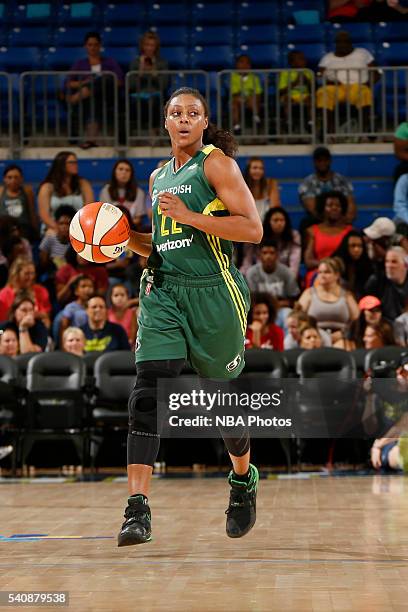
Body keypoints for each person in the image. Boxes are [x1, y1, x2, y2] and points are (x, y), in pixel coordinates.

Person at [116, 87, 263, 547]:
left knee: (224, 407)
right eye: (175, 113)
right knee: (148, 391)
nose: (183, 119)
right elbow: (161, 241)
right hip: (163, 290)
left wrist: (191, 215)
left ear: (204, 123)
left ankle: (242, 479)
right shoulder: (158, 175)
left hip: (214, 293)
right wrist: (117, 238)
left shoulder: (217, 164)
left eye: (192, 113)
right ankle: (136, 511)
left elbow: (253, 229)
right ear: (165, 122)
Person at [66, 31, 124, 149]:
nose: (93, 47)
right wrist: (86, 83)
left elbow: (119, 81)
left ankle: (86, 92)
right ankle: (91, 139)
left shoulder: (109, 62)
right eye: (90, 45)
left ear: (100, 46)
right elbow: (69, 83)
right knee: (94, 101)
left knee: (106, 78)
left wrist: (96, 83)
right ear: (85, 46)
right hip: (91, 100)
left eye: (95, 44)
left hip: (108, 96)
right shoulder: (80, 64)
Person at [316, 31, 376, 135]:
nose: (342, 44)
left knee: (364, 92)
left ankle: (363, 130)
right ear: (335, 44)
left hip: (357, 86)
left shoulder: (362, 53)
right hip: (336, 87)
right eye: (339, 42)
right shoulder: (327, 58)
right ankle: (329, 131)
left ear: (351, 42)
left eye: (345, 41)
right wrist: (326, 81)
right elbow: (319, 76)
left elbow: (376, 72)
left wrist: (369, 84)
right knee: (323, 92)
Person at [298, 257, 359, 342]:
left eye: (327, 272)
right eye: (319, 272)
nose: (322, 275)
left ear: (337, 275)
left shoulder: (346, 295)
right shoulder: (309, 293)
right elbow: (298, 317)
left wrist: (344, 333)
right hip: (315, 338)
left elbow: (357, 320)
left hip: (341, 338)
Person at [245, 239, 300, 329]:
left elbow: (293, 299)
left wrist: (276, 305)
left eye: (272, 253)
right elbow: (252, 299)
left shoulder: (286, 272)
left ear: (277, 255)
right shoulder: (252, 273)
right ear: (259, 255)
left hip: (281, 309)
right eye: (265, 253)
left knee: (288, 314)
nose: (268, 256)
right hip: (260, 309)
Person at [303, 191, 353, 286]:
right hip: (318, 272)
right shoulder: (312, 231)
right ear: (323, 208)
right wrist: (328, 266)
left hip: (342, 273)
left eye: (338, 206)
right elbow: (308, 261)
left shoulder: (350, 232)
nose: (334, 208)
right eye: (330, 205)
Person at [298, 146, 355, 228]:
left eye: (325, 160)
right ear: (314, 162)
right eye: (319, 160)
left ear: (330, 161)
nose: (322, 163)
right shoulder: (307, 183)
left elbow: (351, 209)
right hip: (317, 224)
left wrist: (339, 222)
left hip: (341, 223)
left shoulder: (342, 181)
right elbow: (313, 210)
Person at [370, 353, 408, 472]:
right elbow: (369, 429)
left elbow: (404, 425)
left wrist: (377, 445)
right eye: (404, 373)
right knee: (397, 453)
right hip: (391, 444)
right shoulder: (381, 393)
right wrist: (369, 397)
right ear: (398, 372)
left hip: (390, 441)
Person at [38, 152, 94, 232]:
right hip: (54, 228)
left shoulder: (83, 184)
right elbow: (44, 215)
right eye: (71, 162)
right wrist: (59, 229)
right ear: (61, 165)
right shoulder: (47, 187)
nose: (75, 165)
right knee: (51, 235)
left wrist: (77, 229)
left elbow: (89, 210)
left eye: (76, 162)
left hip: (80, 228)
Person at [129, 31, 169, 133]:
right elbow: (131, 86)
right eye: (147, 45)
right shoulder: (135, 63)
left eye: (152, 45)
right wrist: (140, 73)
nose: (149, 48)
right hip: (138, 97)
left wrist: (155, 74)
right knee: (137, 103)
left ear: (156, 47)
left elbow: (164, 86)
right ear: (142, 46)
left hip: (157, 97)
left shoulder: (162, 63)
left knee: (154, 102)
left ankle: (154, 133)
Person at [99, 160, 151, 231]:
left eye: (127, 170)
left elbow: (138, 219)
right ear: (114, 172)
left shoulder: (139, 192)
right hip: (110, 230)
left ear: (131, 174)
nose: (124, 172)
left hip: (132, 230)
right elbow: (104, 216)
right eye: (121, 169)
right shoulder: (105, 190)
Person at [0, 257, 51, 325]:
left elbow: (47, 317)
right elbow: (2, 325)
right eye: (26, 273)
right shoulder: (4, 295)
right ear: (16, 274)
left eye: (32, 273)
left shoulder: (41, 291)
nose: (30, 277)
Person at [365, 246, 408, 322]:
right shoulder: (376, 281)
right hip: (383, 328)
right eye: (387, 261)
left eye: (394, 262)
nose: (389, 265)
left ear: (405, 265)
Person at [332, 229, 374, 299]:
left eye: (360, 246)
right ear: (346, 247)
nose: (356, 249)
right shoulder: (335, 264)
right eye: (352, 246)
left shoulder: (368, 265)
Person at [0, 165, 39, 240]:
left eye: (16, 177)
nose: (13, 180)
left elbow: (32, 213)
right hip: (4, 229)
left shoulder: (27, 191)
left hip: (23, 229)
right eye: (9, 177)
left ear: (21, 179)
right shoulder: (1, 191)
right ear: (4, 179)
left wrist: (36, 230)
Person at [262, 207, 301, 278]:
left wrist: (290, 279)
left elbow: (294, 262)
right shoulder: (260, 236)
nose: (279, 223)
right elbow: (248, 261)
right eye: (275, 220)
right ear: (268, 221)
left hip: (286, 276)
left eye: (282, 220)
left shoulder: (294, 236)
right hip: (261, 276)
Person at [278, 50, 312, 131]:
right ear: (292, 63)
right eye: (301, 59)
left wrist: (307, 81)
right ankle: (288, 122)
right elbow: (281, 91)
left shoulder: (308, 72)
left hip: (304, 96)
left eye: (303, 59)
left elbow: (313, 89)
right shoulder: (285, 73)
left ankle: (311, 122)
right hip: (290, 96)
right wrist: (295, 83)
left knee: (311, 99)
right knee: (287, 99)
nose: (304, 61)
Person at [230, 54, 262, 135]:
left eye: (247, 63)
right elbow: (234, 93)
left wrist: (249, 98)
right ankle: (236, 126)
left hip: (251, 100)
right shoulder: (233, 77)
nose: (245, 65)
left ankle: (256, 118)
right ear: (236, 65)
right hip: (238, 99)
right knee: (234, 103)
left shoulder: (255, 78)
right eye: (241, 63)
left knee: (253, 98)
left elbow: (258, 92)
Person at [39, 205, 76, 274]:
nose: (64, 227)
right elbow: (43, 263)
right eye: (61, 223)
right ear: (56, 223)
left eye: (67, 224)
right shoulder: (49, 239)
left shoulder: (76, 243)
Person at [58, 274, 95, 343]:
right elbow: (63, 327)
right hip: (76, 340)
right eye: (83, 286)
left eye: (90, 286)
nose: (87, 289)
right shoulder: (71, 307)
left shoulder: (96, 305)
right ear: (76, 291)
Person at [243, 157, 281, 221]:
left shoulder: (271, 183)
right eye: (255, 168)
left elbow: (275, 210)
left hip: (267, 223)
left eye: (261, 168)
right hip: (248, 223)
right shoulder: (242, 185)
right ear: (248, 170)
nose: (258, 171)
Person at [108, 283, 137, 348]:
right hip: (111, 345)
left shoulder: (132, 312)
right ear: (111, 298)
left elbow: (133, 330)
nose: (119, 298)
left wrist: (130, 341)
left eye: (122, 295)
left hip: (128, 345)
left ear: (127, 297)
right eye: (116, 295)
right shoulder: (107, 313)